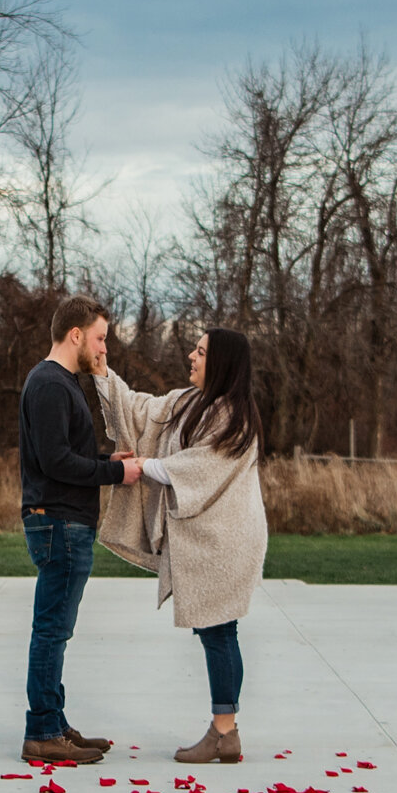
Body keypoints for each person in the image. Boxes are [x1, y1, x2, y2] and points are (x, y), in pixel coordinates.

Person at [92, 325, 266, 764]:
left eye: (202, 352)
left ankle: (224, 732)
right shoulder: (190, 403)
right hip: (205, 540)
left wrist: (144, 465)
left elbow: (197, 467)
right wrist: (102, 374)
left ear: (221, 362)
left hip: (225, 542)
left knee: (220, 631)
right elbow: (141, 411)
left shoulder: (233, 416)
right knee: (215, 632)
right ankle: (225, 731)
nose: (191, 355)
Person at [17, 294, 142, 765]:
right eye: (100, 338)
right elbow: (55, 463)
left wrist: (107, 461)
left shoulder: (59, 382)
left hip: (66, 521)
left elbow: (64, 456)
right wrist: (116, 475)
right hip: (59, 523)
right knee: (51, 631)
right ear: (76, 335)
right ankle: (43, 733)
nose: (103, 349)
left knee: (56, 630)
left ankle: (55, 722)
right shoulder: (50, 384)